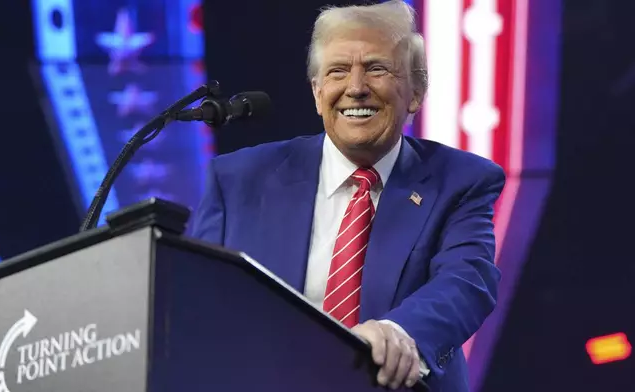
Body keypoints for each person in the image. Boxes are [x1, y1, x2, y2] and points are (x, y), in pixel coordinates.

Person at [189, 1, 505, 391]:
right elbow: (194, 300)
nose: (355, 89)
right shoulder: (238, 180)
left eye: (376, 68)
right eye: (338, 71)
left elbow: (467, 280)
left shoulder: (460, 180)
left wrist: (397, 334)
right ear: (318, 92)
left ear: (417, 92)